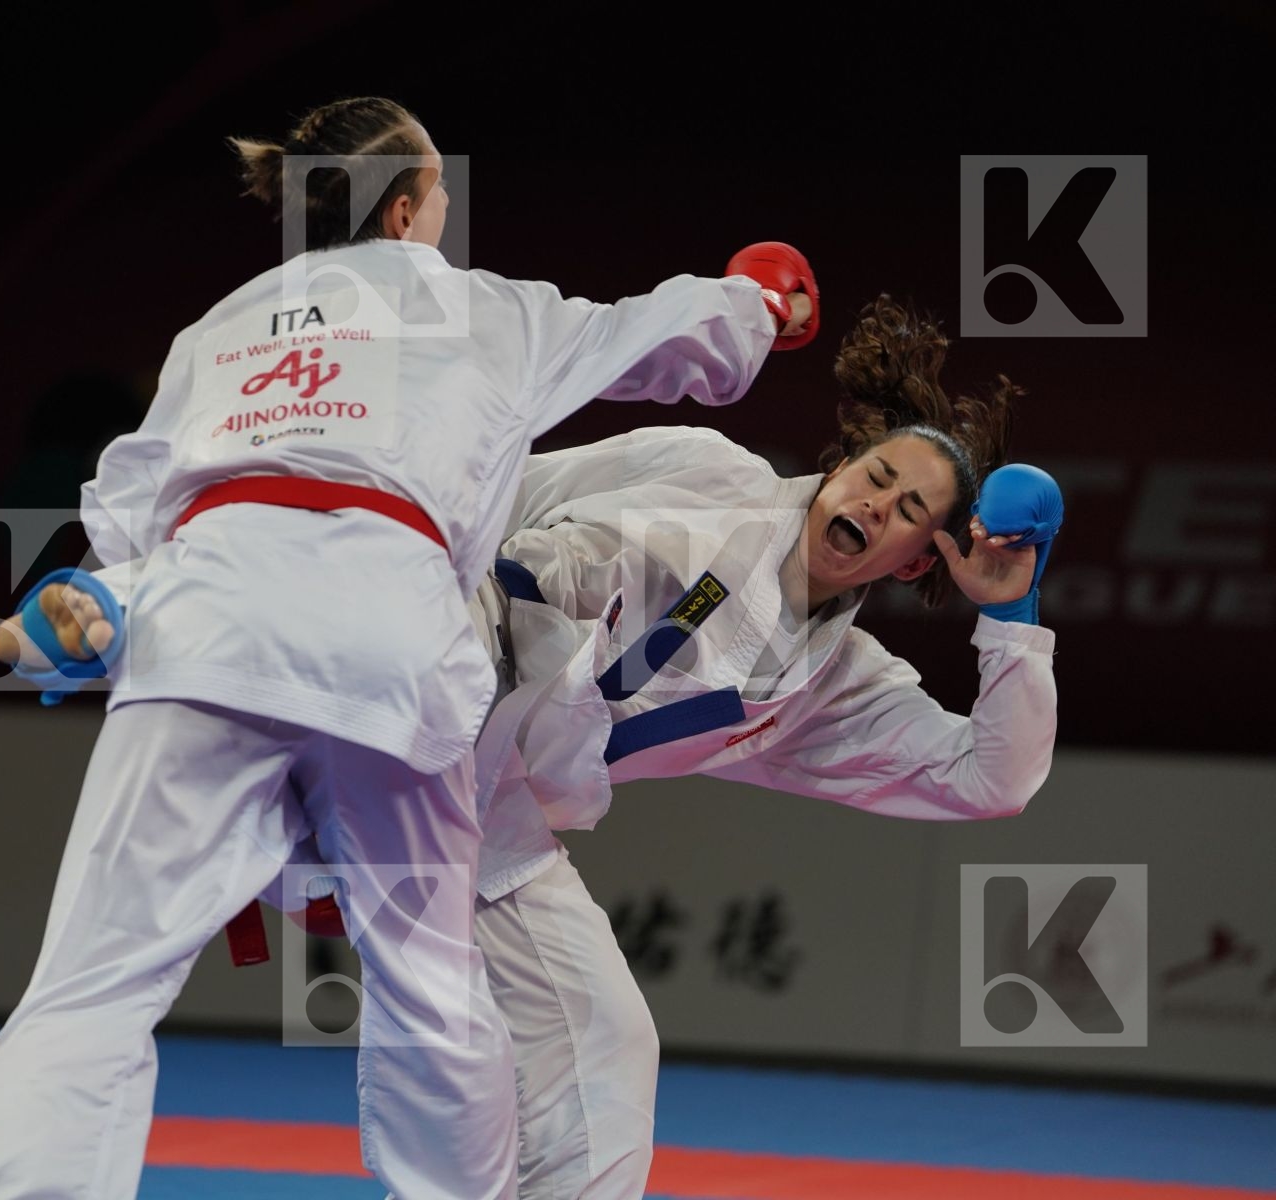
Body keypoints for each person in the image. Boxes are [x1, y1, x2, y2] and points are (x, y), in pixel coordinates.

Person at [0, 94, 819, 1199]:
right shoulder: (483, 309)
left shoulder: (215, 327)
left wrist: (91, 612)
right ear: (407, 208)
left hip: (203, 621)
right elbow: (657, 335)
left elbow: (127, 504)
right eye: (443, 197)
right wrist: (759, 298)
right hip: (388, 639)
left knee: (91, 987)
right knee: (430, 985)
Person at [450, 293, 1062, 1197]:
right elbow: (502, 491)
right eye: (879, 473)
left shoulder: (835, 687)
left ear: (917, 561)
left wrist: (1010, 618)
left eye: (910, 511)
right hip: (423, 677)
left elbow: (991, 778)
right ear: (844, 461)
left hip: (487, 817)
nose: (879, 501)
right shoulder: (706, 471)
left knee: (604, 1049)